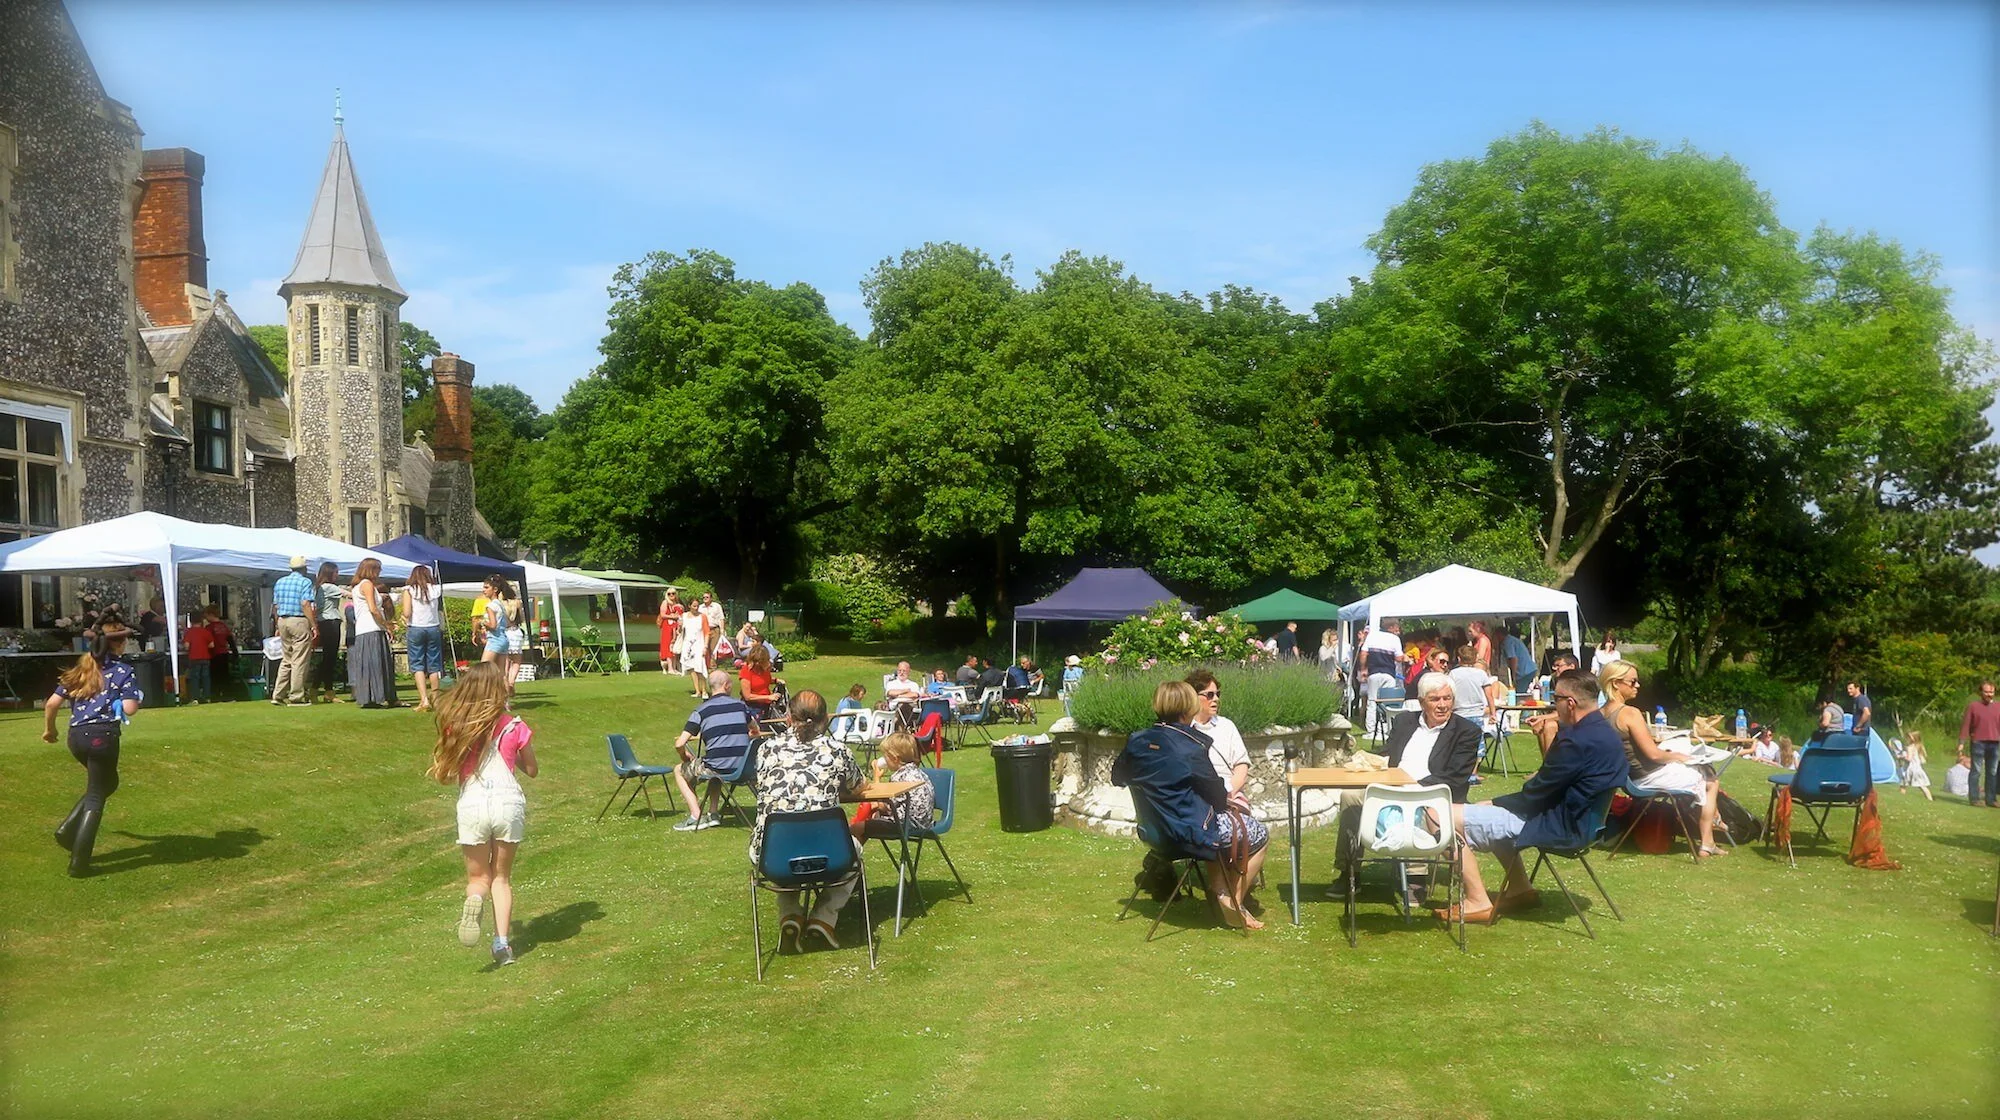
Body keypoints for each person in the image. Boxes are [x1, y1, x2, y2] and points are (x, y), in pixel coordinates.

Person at [1435, 670, 1629, 924]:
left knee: (1439, 814)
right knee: (1490, 815)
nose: (1553, 705)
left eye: (1555, 699)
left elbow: (1537, 791)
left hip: (1560, 825)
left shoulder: (1577, 741)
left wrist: (1496, 802)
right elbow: (1544, 789)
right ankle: (1520, 890)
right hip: (1584, 823)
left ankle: (1477, 902)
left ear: (1569, 703)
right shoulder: (1605, 734)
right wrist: (1499, 803)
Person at [1111, 680, 1269, 930]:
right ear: (1189, 708)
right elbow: (1217, 797)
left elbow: (1118, 778)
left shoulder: (1137, 740)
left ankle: (1219, 889)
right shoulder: (1191, 745)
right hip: (1189, 835)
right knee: (1259, 833)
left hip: (1154, 833)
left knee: (1213, 821)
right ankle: (1233, 900)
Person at [1329, 671, 1482, 904]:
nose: (1443, 705)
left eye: (1447, 698)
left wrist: (1413, 785)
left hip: (1435, 794)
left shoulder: (1466, 731)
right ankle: (1350, 870)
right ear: (1422, 702)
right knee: (1351, 796)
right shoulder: (1405, 721)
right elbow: (1388, 754)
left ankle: (1416, 875)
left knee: (1418, 800)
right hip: (1391, 786)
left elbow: (1456, 776)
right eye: (1435, 699)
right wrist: (1371, 762)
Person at [428, 662, 538, 967]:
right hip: (507, 803)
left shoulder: (457, 726)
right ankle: (502, 944)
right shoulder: (515, 726)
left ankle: (475, 899)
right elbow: (532, 770)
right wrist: (513, 754)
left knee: (478, 878)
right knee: (501, 878)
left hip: (473, 803)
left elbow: (449, 771)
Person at [750, 689, 862, 950]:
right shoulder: (837, 750)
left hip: (772, 855)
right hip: (830, 854)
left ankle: (790, 915)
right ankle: (824, 919)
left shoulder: (766, 749)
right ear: (825, 720)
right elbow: (857, 786)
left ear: (788, 717)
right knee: (855, 848)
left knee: (784, 847)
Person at [45, 622, 145, 877]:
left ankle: (68, 830)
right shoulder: (123, 670)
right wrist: (133, 698)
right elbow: (131, 708)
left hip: (76, 737)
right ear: (118, 644)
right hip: (102, 736)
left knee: (107, 783)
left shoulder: (81, 669)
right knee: (97, 795)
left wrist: (50, 730)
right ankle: (79, 861)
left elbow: (52, 703)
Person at [1599, 659, 1723, 857]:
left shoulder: (1600, 714)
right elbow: (1653, 755)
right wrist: (1677, 757)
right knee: (1711, 779)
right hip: (1648, 776)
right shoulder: (1630, 713)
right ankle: (1707, 841)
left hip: (1628, 777)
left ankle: (1715, 821)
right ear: (1615, 683)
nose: (1637, 685)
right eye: (1632, 682)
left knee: (1700, 767)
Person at [673, 669, 755, 830]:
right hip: (745, 768)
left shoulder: (702, 711)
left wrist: (684, 757)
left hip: (717, 767)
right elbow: (755, 730)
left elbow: (679, 743)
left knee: (679, 770)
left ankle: (696, 815)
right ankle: (713, 813)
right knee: (712, 766)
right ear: (726, 685)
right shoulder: (741, 706)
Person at [850, 731, 935, 842]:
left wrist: (876, 779)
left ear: (895, 759)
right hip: (924, 823)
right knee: (871, 819)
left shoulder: (899, 778)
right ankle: (855, 856)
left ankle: (851, 857)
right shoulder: (920, 773)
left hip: (906, 825)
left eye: (886, 757)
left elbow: (885, 807)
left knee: (856, 828)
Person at [270, 554, 319, 706]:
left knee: (287, 659)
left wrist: (277, 624)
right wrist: (313, 625)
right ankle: (296, 696)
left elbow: (276, 606)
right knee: (299, 660)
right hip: (298, 620)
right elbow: (305, 604)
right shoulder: (305, 581)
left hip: (283, 620)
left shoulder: (280, 582)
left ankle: (278, 694)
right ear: (304, 568)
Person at [347, 558, 394, 709]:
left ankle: (370, 697)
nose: (380, 572)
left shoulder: (356, 586)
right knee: (375, 664)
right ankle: (375, 697)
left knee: (368, 665)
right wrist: (386, 624)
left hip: (363, 629)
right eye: (378, 569)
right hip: (371, 628)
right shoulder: (367, 584)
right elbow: (373, 609)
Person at [401, 564, 445, 712]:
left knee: (417, 664)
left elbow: (407, 612)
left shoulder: (409, 590)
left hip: (416, 627)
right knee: (434, 664)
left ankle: (424, 699)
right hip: (433, 627)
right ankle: (436, 699)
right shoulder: (436, 589)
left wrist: (402, 617)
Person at [480, 577, 524, 695]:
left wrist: (483, 623)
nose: (483, 590)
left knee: (483, 670)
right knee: (502, 674)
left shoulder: (490, 606)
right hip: (504, 639)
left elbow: (493, 625)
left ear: (495, 589)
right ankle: (505, 702)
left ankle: (484, 698)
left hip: (494, 640)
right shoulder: (500, 604)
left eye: (486, 587)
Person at [1958, 680, 1999, 807]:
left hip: (1995, 743)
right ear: (1981, 692)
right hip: (1978, 742)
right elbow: (1966, 725)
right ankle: (1974, 798)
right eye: (1986, 692)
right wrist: (1961, 742)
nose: (1989, 694)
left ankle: (1991, 799)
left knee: (1992, 772)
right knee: (1976, 770)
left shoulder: (1998, 707)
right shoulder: (1973, 706)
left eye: (1991, 692)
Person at [314, 562, 346, 703]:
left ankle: (328, 691)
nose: (337, 575)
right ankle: (316, 688)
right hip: (331, 622)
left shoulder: (319, 588)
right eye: (336, 572)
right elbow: (349, 594)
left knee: (329, 658)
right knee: (329, 658)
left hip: (323, 622)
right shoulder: (330, 587)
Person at [738, 643, 781, 720]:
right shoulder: (746, 671)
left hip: (766, 705)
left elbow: (762, 680)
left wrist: (776, 680)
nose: (757, 664)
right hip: (753, 707)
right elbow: (747, 696)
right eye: (756, 661)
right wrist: (768, 697)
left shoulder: (765, 669)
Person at [182, 610, 216, 704]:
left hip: (194, 657)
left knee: (195, 678)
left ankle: (195, 698)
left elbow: (186, 646)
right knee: (206, 677)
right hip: (205, 657)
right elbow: (212, 645)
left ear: (191, 620)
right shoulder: (206, 632)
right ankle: (207, 697)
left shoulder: (190, 632)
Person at [204, 606, 236, 700]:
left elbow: (207, 641)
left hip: (214, 654)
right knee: (225, 675)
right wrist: (235, 652)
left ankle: (216, 695)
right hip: (224, 653)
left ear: (211, 615)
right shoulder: (223, 626)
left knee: (215, 676)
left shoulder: (209, 627)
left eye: (206, 616)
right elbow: (230, 639)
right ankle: (227, 695)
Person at [679, 612, 710, 699]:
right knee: (691, 668)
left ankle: (704, 690)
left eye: (697, 606)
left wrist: (705, 646)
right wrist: (680, 626)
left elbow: (707, 632)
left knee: (700, 666)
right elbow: (680, 631)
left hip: (699, 643)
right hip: (688, 644)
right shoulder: (684, 616)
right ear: (689, 606)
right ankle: (697, 691)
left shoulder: (702, 616)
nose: (696, 608)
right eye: (694, 606)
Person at [1499, 625, 1535, 692]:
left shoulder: (1507, 642)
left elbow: (1513, 659)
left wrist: (1514, 676)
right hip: (1530, 669)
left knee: (1519, 693)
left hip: (1524, 672)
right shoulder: (1512, 639)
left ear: (1500, 634)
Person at [657, 588, 684, 675]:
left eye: (673, 593)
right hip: (667, 627)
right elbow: (663, 615)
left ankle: (674, 667)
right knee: (668, 646)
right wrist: (673, 617)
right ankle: (670, 668)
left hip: (676, 627)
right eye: (669, 594)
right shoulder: (665, 602)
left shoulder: (677, 604)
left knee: (675, 647)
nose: (671, 595)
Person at [1900, 731, 1932, 801]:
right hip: (1918, 769)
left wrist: (1901, 757)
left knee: (1904, 784)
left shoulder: (1910, 747)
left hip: (1910, 769)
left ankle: (1901, 798)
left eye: (1909, 737)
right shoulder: (1919, 746)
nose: (1907, 738)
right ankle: (1930, 799)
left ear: (1913, 739)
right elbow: (1923, 760)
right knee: (1922, 786)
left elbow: (1909, 759)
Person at [699, 592, 726, 662]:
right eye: (703, 597)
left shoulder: (717, 606)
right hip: (704, 630)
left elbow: (721, 618)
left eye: (707, 597)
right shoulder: (700, 607)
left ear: (711, 598)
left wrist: (722, 630)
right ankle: (705, 665)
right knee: (704, 647)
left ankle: (713, 666)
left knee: (714, 648)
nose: (705, 599)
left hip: (714, 629)